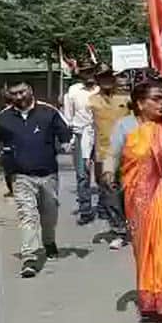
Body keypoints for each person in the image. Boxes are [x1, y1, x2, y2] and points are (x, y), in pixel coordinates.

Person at [102, 78, 162, 323]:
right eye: (156, 98)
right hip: (137, 196)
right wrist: (108, 172)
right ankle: (151, 300)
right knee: (145, 248)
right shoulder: (125, 126)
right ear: (140, 104)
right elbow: (112, 153)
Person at [0, 81, 73, 277]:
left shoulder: (48, 112)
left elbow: (65, 134)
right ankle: (29, 256)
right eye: (14, 94)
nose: (19, 97)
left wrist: (66, 144)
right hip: (21, 175)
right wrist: (3, 159)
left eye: (22, 92)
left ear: (30, 90)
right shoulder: (4, 117)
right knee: (27, 214)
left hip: (47, 173)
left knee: (49, 212)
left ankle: (48, 241)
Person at [89, 66, 130, 250]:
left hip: (128, 152)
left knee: (129, 191)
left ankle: (135, 227)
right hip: (103, 154)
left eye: (108, 76)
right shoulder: (92, 101)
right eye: (101, 77)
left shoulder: (126, 98)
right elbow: (88, 129)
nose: (105, 80)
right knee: (110, 192)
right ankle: (118, 230)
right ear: (96, 80)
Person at [62, 65, 99, 224]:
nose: (88, 75)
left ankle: (105, 207)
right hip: (80, 134)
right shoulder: (73, 91)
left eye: (91, 71)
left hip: (100, 134)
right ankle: (85, 210)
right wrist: (70, 137)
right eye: (84, 72)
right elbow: (68, 116)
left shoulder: (101, 88)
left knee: (103, 173)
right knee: (82, 174)